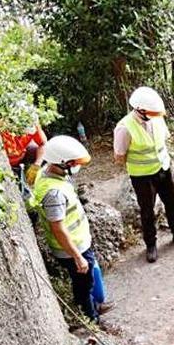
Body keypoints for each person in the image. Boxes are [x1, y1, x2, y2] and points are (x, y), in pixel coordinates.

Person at [34, 136, 114, 328]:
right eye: (73, 163)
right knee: (83, 284)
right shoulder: (53, 193)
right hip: (72, 249)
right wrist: (77, 257)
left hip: (78, 242)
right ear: (62, 163)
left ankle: (95, 306)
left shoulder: (48, 174)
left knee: (88, 278)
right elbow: (58, 228)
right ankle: (91, 317)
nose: (76, 166)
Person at [114, 86, 174, 263]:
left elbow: (163, 140)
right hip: (142, 176)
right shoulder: (124, 128)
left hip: (164, 167)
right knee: (147, 211)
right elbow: (119, 156)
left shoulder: (157, 118)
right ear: (140, 110)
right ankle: (151, 245)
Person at [0, 104, 47, 200]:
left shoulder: (32, 124)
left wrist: (37, 165)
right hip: (7, 162)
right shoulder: (2, 130)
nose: (25, 134)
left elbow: (44, 144)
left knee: (47, 156)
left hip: (21, 155)